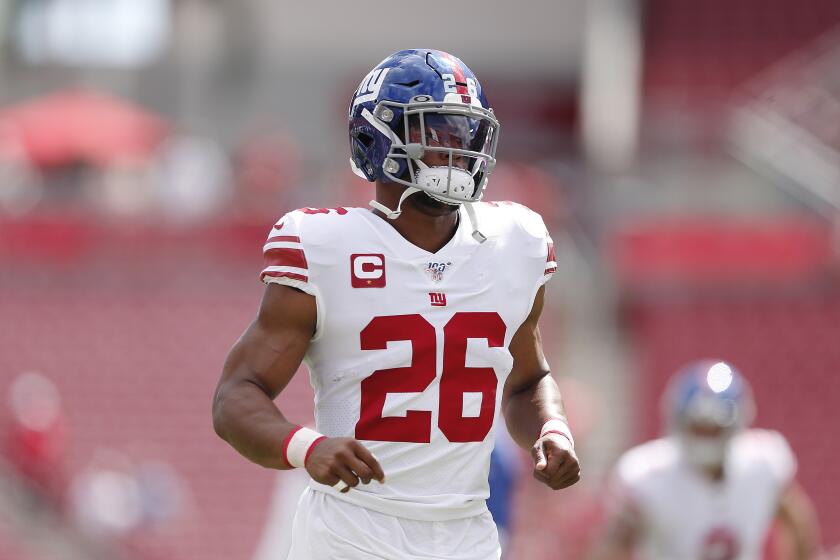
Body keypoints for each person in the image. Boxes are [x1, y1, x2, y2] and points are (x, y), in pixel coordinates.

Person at [212, 49, 581, 560]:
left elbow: (527, 380)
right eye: (434, 134)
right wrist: (307, 447)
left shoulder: (513, 243)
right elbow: (234, 396)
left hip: (467, 535)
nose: (454, 151)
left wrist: (551, 428)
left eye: (462, 134)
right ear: (377, 138)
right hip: (351, 534)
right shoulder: (324, 246)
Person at [588, 360, 821, 560]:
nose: (705, 435)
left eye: (713, 428)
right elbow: (614, 547)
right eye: (698, 427)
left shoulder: (762, 464)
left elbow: (796, 520)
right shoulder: (646, 475)